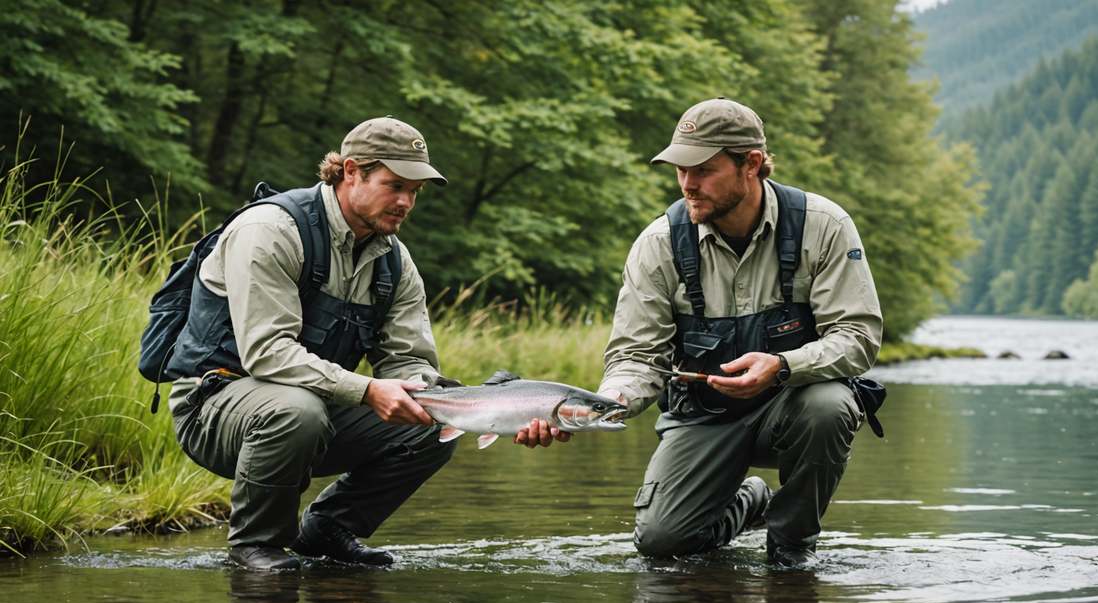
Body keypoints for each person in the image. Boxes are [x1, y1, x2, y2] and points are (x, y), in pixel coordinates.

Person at [167, 117, 559, 571]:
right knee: (296, 411)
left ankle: (327, 529)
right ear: (351, 172)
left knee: (431, 421)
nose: (406, 202)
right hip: (215, 407)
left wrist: (494, 409)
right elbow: (267, 351)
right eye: (395, 185)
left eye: (415, 191)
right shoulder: (270, 230)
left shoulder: (394, 260)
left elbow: (409, 362)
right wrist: (369, 391)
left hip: (312, 409)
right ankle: (257, 545)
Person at [595, 98, 883, 569]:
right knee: (662, 545)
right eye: (680, 170)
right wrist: (606, 405)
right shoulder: (658, 244)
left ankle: (791, 549)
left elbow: (858, 336)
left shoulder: (824, 227)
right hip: (704, 417)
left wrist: (785, 366)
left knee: (830, 405)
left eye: (703, 170)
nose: (688, 184)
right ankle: (749, 500)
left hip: (794, 407)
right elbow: (635, 357)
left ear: (751, 164)